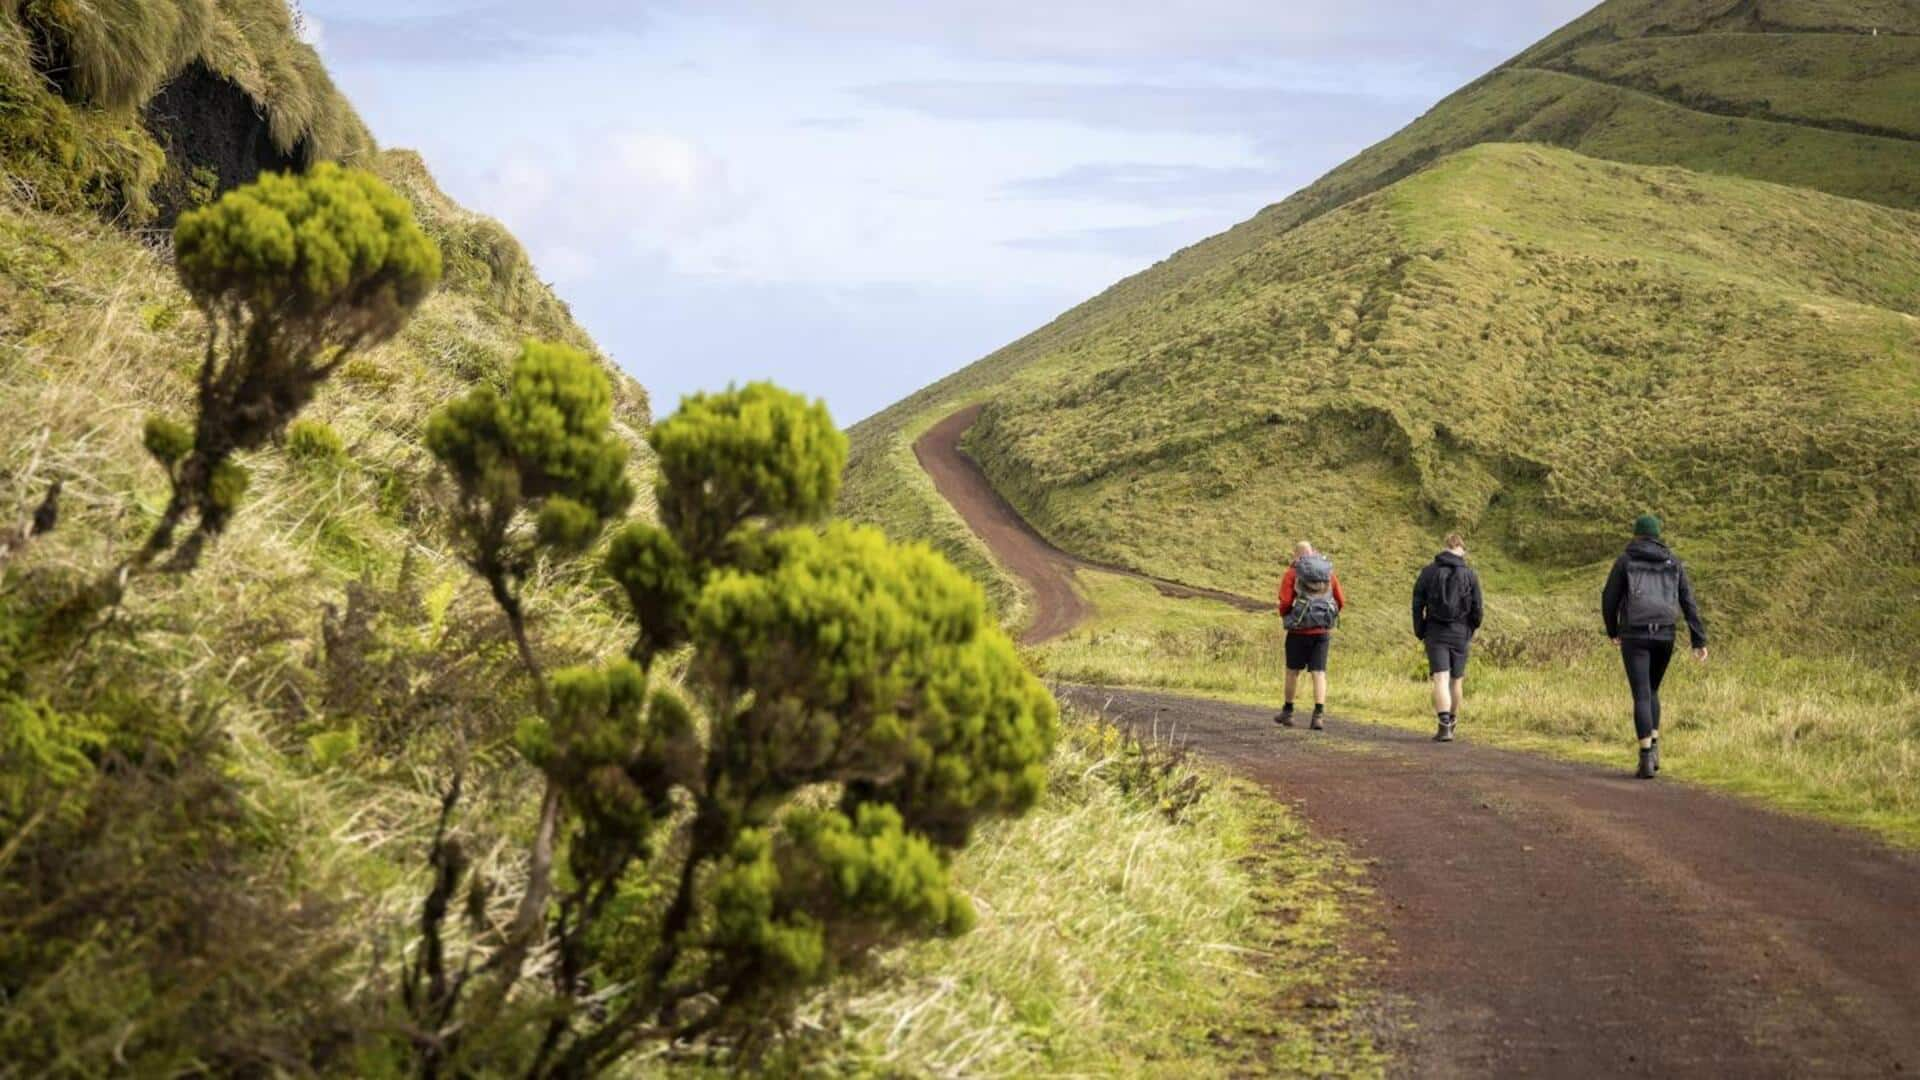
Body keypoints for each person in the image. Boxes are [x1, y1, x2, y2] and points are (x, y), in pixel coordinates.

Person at [1601, 514, 1708, 779]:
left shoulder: (1625, 560)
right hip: (1665, 634)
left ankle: (1646, 758)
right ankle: (1656, 747)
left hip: (1635, 634)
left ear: (1636, 534)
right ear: (1658, 535)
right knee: (1653, 689)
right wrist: (1698, 640)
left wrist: (1613, 631)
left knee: (1641, 694)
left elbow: (1609, 598)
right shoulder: (1673, 561)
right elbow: (1688, 600)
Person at [1412, 532, 1483, 743]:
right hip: (1461, 632)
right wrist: (1471, 628)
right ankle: (1452, 722)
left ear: (1445, 547)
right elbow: (1477, 608)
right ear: (1461, 549)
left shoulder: (1428, 572)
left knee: (1440, 679)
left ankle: (1443, 728)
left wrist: (1420, 630)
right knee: (1456, 681)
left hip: (1435, 631)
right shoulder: (1470, 575)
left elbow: (1417, 604)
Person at [1275, 540, 1345, 731]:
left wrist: (1287, 616)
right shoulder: (1327, 572)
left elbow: (1285, 602)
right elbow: (1340, 600)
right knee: (1319, 673)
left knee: (1292, 672)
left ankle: (1288, 712)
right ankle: (1318, 716)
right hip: (1322, 631)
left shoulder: (1292, 573)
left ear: (1296, 555)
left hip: (1298, 631)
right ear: (1313, 552)